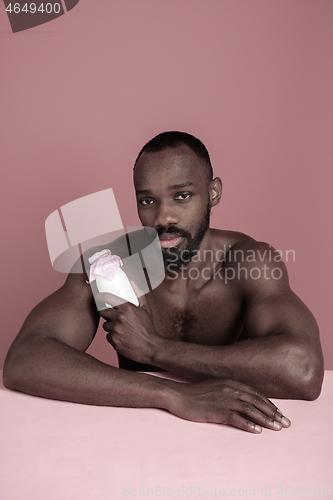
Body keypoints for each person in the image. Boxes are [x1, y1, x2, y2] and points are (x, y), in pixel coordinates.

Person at [3, 131, 324, 434]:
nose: (163, 217)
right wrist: (173, 394)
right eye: (147, 201)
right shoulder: (109, 264)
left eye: (182, 196)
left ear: (213, 193)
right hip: (133, 434)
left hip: (231, 437)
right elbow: (25, 359)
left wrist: (155, 349)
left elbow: (303, 371)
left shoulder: (248, 261)